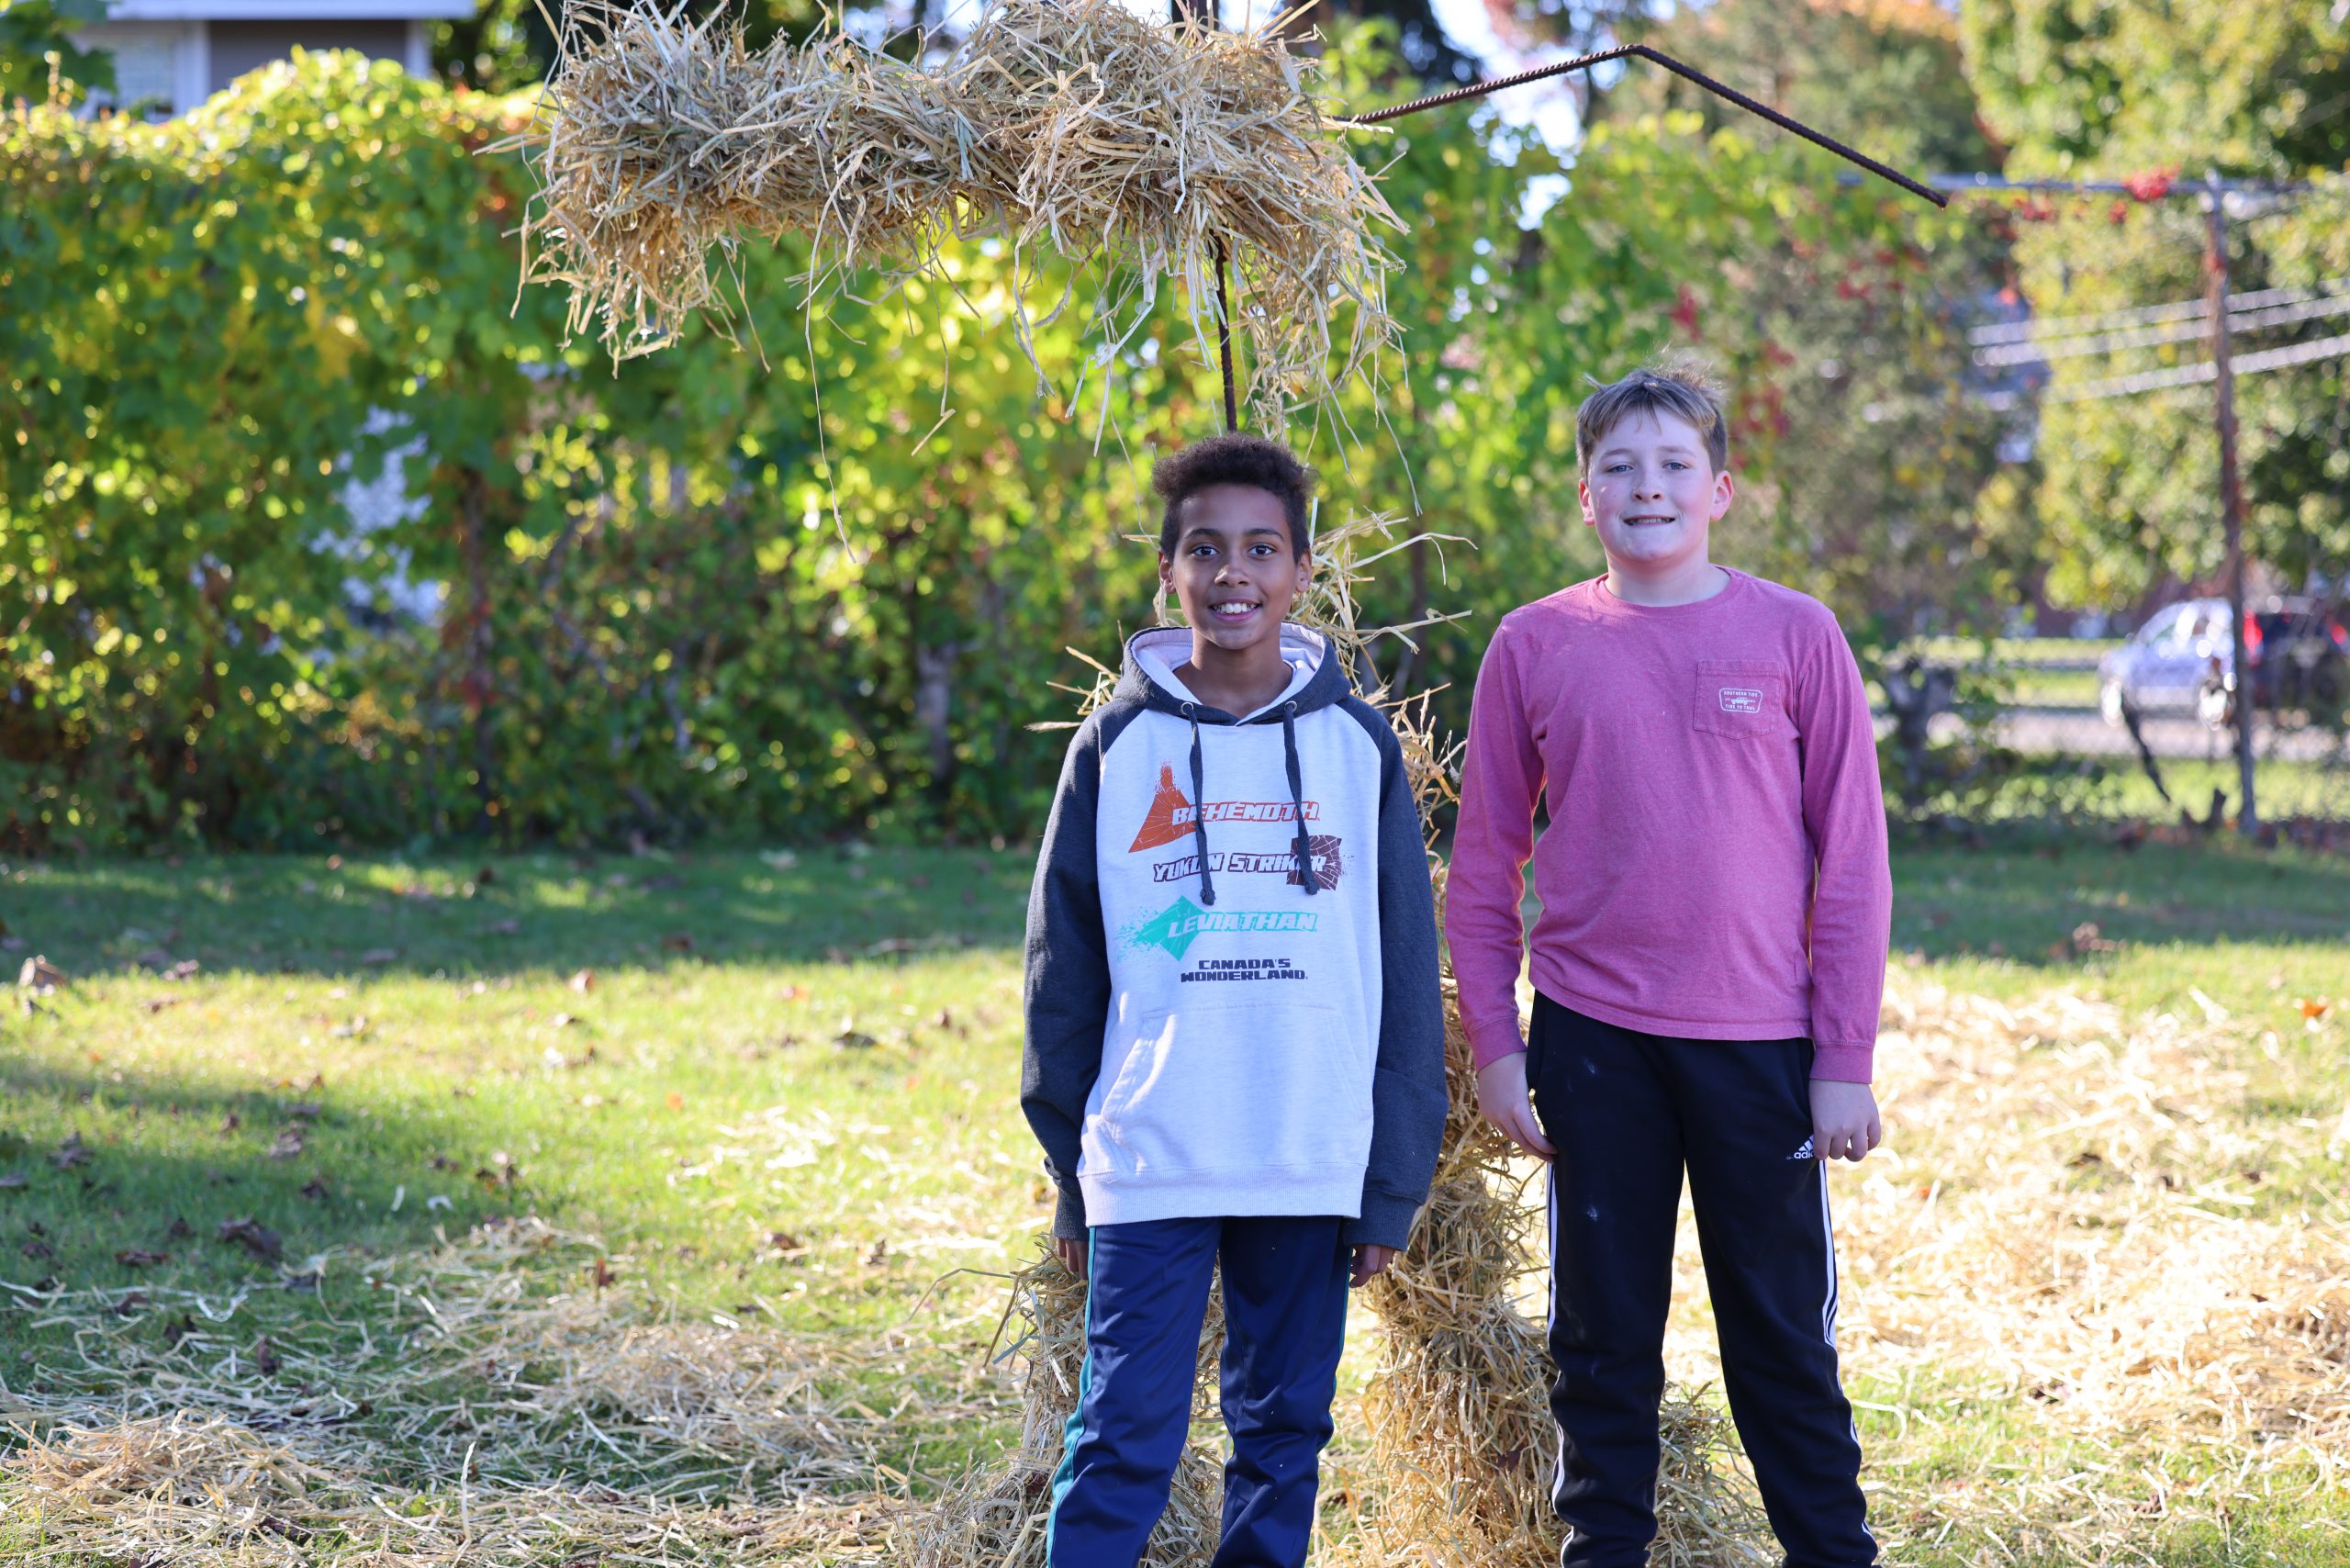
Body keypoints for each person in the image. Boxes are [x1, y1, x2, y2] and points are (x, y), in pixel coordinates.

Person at [1447, 359, 1893, 1568]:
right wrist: (1496, 1045)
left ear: (1721, 491)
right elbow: (1483, 868)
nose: (1646, 486)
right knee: (1601, 1342)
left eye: (1673, 465)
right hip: (1596, 1043)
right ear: (1586, 497)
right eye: (1618, 467)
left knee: (1782, 1344)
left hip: (1762, 1048)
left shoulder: (1797, 637)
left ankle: (1830, 1552)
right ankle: (1604, 1551)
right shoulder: (1537, 643)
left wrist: (1843, 1060)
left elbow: (1851, 865)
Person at [1022, 432, 1447, 1568]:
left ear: (1304, 571)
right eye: (1203, 548)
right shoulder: (1115, 745)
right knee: (1122, 1435)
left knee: (1281, 1436)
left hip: (1305, 1150)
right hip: (1155, 1147)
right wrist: (1071, 1165)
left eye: (1262, 547)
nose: (1233, 572)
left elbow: (1407, 970)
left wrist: (1390, 1177)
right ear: (1168, 571)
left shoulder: (1356, 750)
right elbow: (1061, 970)